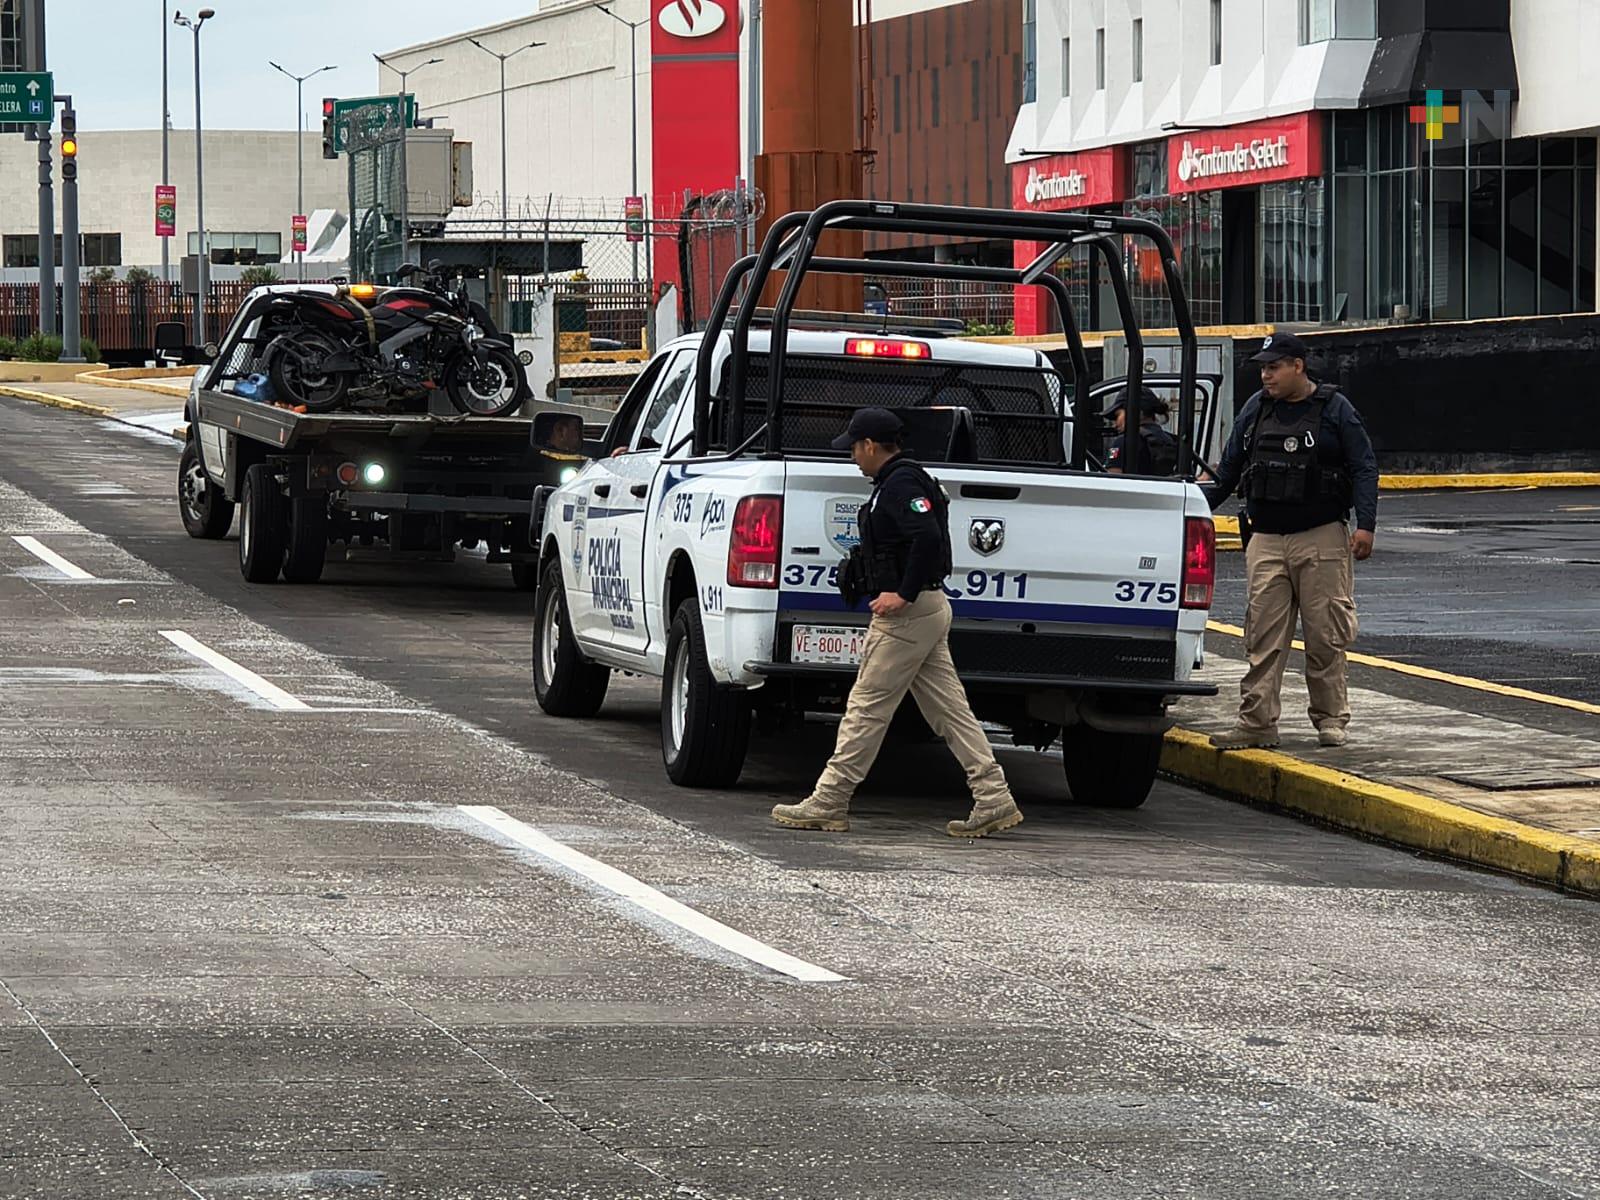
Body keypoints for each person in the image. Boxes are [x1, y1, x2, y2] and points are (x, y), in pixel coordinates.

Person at [771, 407, 1024, 839]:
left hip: (908, 615)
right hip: (925, 611)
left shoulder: (900, 483)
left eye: (854, 447)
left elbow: (926, 537)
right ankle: (993, 797)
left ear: (870, 445)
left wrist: (901, 593)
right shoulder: (898, 481)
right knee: (951, 712)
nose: (852, 456)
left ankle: (830, 800)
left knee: (865, 708)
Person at [1202, 332, 1379, 751]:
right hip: (1265, 538)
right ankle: (1257, 722)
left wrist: (1366, 525)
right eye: (1263, 367)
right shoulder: (1257, 409)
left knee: (1325, 637)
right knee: (1262, 637)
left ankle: (1330, 719)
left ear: (1298, 365)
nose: (1266, 375)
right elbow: (1228, 470)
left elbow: (1364, 467)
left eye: (1274, 366)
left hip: (1321, 537)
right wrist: (1193, 508)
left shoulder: (1335, 410)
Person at [1105, 387, 1180, 475]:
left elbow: (1112, 481)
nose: (1115, 424)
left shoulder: (1122, 442)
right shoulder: (1171, 440)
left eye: (1118, 415)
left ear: (1137, 412)